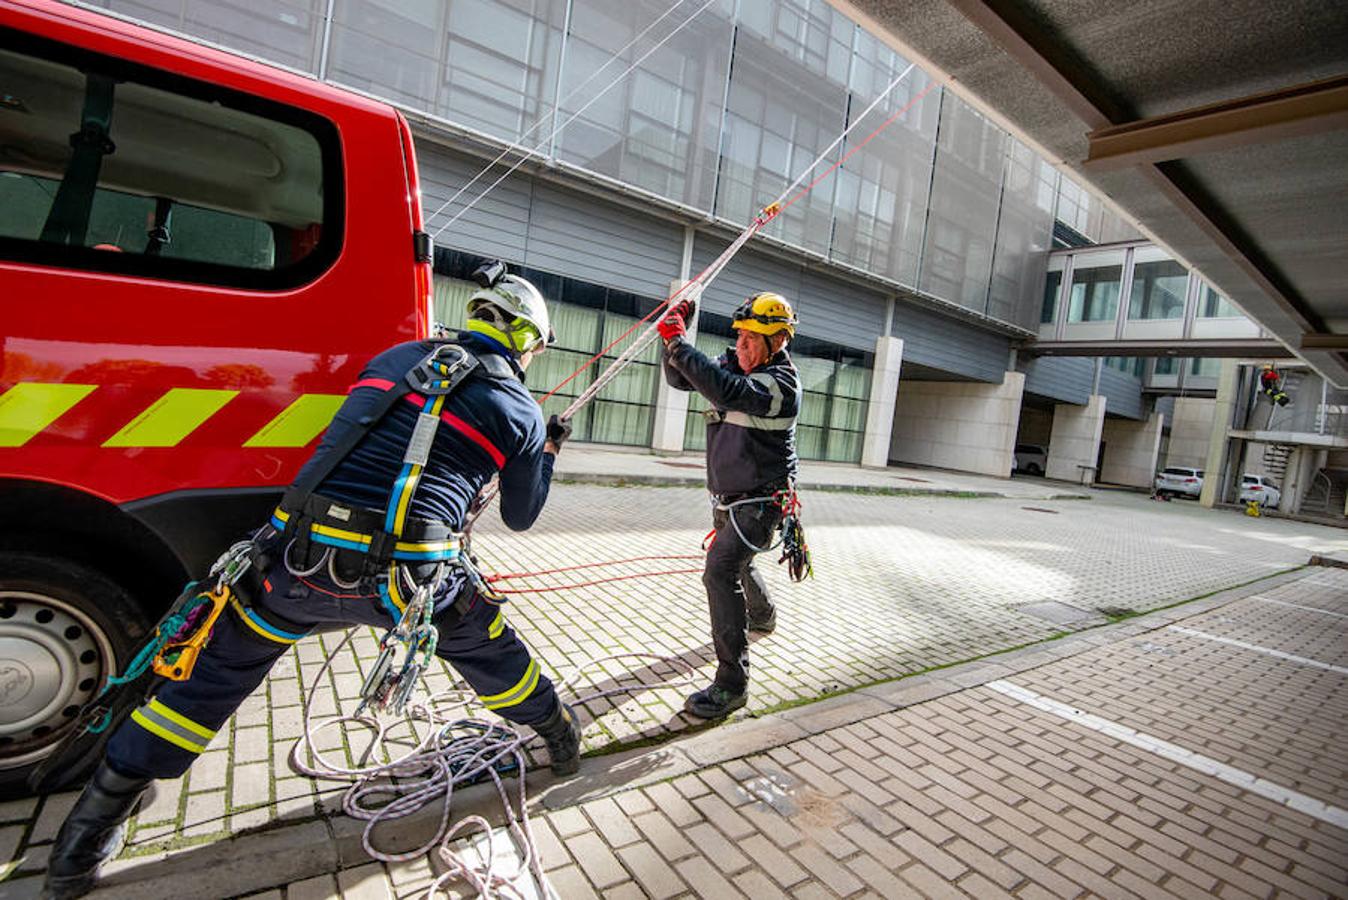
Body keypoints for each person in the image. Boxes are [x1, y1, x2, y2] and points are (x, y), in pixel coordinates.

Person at [42, 269, 581, 899]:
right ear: (523, 339)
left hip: (295, 566)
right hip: (412, 585)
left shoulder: (396, 358)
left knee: (206, 681)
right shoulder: (519, 408)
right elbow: (520, 515)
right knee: (493, 652)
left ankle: (82, 843)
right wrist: (543, 453)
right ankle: (559, 736)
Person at [657, 291, 801, 719]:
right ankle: (763, 615)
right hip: (729, 496)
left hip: (761, 502)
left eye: (752, 338)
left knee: (719, 570)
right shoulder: (736, 365)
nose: (741, 345)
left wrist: (680, 343)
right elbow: (682, 379)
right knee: (738, 564)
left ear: (778, 342)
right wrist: (671, 343)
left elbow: (728, 391)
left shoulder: (780, 386)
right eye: (739, 336)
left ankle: (731, 685)